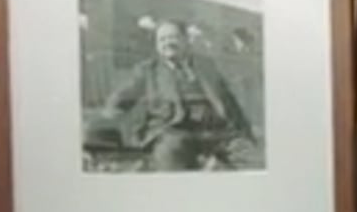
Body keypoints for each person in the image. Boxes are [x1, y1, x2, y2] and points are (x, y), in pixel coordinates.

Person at [93, 20, 258, 171]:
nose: (167, 43)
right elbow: (120, 98)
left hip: (216, 131)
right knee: (171, 154)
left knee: (251, 158)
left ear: (186, 40)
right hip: (172, 130)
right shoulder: (148, 70)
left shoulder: (205, 65)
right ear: (156, 46)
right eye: (162, 40)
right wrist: (104, 123)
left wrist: (246, 132)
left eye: (173, 37)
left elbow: (228, 100)